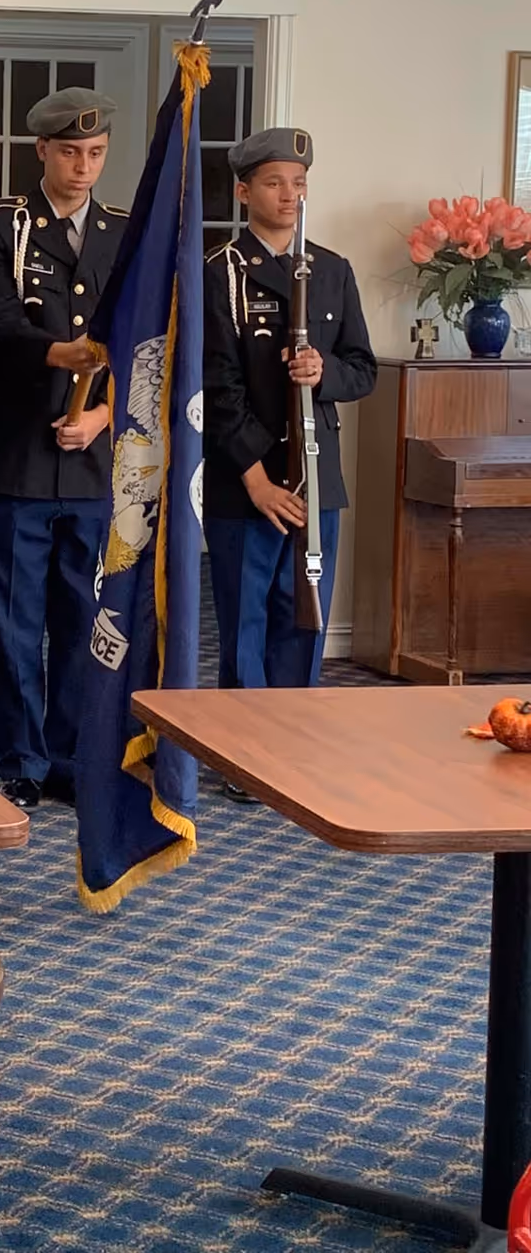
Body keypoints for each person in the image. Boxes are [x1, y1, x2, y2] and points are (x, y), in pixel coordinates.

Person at [0, 87, 128, 810]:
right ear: (42, 152)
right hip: (17, 457)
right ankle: (22, 760)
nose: (83, 166)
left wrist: (103, 420)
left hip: (90, 461)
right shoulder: (1, 224)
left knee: (79, 617)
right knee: (15, 620)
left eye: (94, 153)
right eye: (69, 152)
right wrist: (60, 353)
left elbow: (146, 343)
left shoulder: (125, 232)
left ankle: (65, 755)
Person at [203, 126, 376, 797]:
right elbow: (215, 386)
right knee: (246, 617)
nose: (289, 196)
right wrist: (253, 478)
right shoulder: (220, 271)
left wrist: (322, 370)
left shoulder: (330, 269)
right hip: (247, 479)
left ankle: (294, 742)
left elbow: (362, 369)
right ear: (245, 191)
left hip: (316, 476)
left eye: (299, 184)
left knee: (304, 615)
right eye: (275, 183)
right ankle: (244, 753)